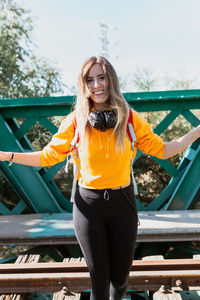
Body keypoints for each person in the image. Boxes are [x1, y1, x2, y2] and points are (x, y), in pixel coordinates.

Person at [0, 56, 200, 300]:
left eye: (101, 77)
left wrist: (198, 131)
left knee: (121, 279)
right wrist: (7, 155)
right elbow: (46, 157)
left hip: (123, 204)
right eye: (90, 80)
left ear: (111, 80)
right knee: (99, 281)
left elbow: (165, 150)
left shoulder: (128, 119)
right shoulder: (75, 122)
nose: (96, 85)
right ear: (84, 85)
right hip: (88, 207)